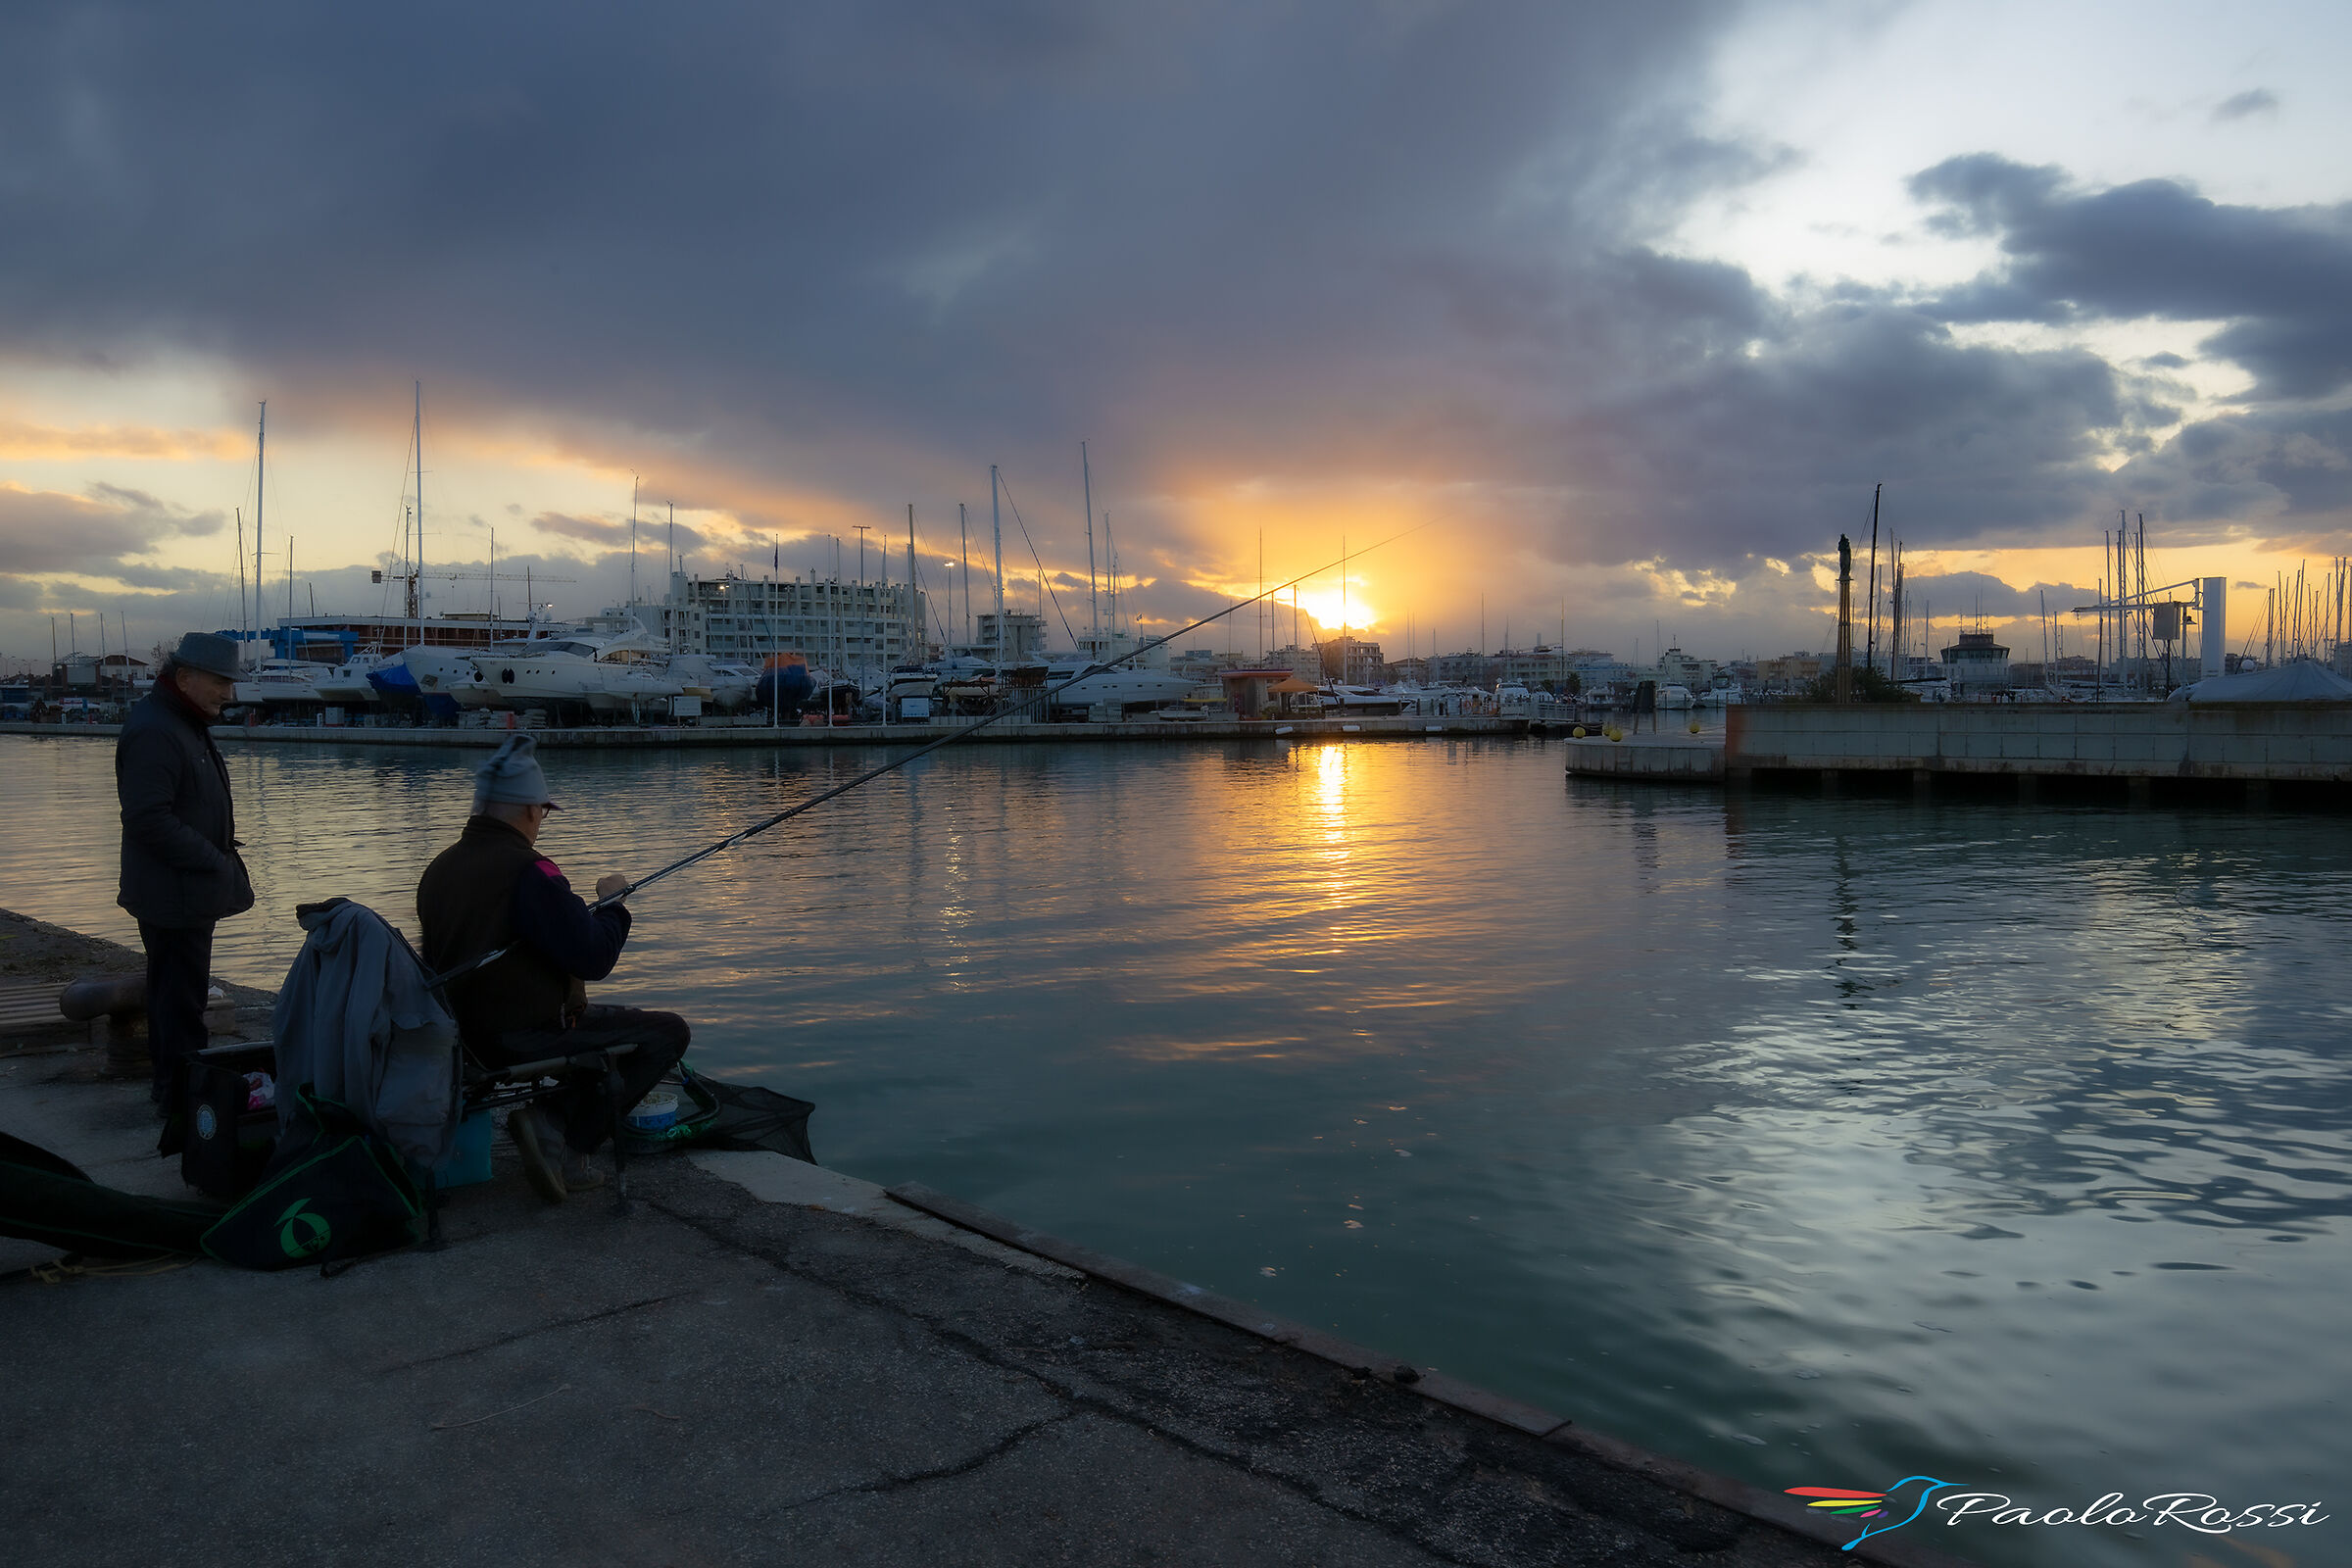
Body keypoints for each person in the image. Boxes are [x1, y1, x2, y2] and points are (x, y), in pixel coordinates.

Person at [416, 735, 688, 1201]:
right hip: (520, 1037)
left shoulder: (439, 869)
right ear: (529, 808)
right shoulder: (530, 871)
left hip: (461, 1038)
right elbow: (594, 958)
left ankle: (552, 1121)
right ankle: (560, 1134)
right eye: (543, 811)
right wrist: (614, 905)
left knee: (602, 1022)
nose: (542, 822)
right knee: (667, 1033)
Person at [116, 631, 254, 1111]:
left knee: (179, 996)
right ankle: (182, 1102)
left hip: (182, 888)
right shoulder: (156, 730)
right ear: (185, 678)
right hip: (172, 892)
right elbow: (146, 819)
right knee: (179, 1002)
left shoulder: (180, 721)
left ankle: (178, 1093)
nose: (228, 693)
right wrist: (212, 859)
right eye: (220, 682)